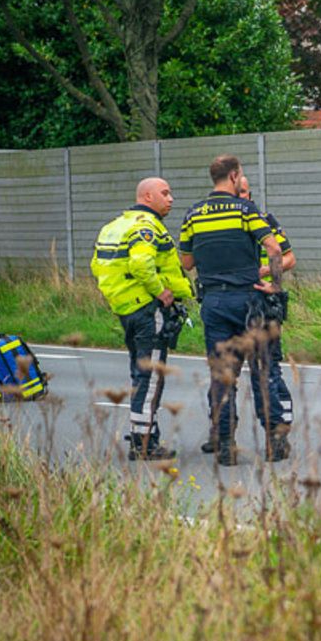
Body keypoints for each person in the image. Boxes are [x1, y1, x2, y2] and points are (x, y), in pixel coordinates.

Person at [179, 154, 286, 466]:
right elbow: (274, 248)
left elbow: (187, 262)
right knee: (262, 370)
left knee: (223, 375)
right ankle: (274, 443)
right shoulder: (245, 210)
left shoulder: (192, 214)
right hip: (249, 299)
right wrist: (275, 285)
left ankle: (226, 446)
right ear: (235, 175)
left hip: (213, 303)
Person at [90, 177, 194, 461]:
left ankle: (142, 434)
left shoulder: (114, 226)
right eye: (165, 193)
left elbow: (96, 265)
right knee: (150, 376)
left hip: (127, 308)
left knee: (139, 373)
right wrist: (162, 293)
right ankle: (144, 442)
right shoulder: (146, 227)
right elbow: (140, 263)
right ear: (147, 197)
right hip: (149, 310)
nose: (171, 198)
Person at [198, 175, 296, 454]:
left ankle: (279, 432)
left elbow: (288, 256)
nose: (241, 197)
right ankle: (220, 434)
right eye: (237, 191)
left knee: (267, 370)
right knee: (224, 374)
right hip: (231, 302)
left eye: (244, 193)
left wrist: (269, 273)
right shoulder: (216, 221)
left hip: (261, 302)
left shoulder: (263, 219)